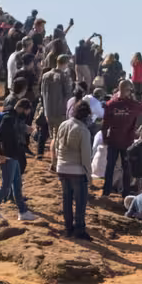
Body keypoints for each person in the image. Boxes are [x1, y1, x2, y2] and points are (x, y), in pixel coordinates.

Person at [0, 97, 41, 224]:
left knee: (17, 185)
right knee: (6, 186)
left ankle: (22, 212)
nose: (26, 115)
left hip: (15, 156)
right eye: (26, 111)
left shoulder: (15, 118)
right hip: (7, 157)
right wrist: (0, 154)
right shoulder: (8, 118)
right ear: (21, 108)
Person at [100, 80, 142, 198]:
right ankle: (126, 193)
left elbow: (104, 124)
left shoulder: (110, 104)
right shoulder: (133, 105)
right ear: (129, 90)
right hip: (127, 142)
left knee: (110, 167)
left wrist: (104, 138)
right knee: (126, 169)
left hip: (113, 140)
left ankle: (106, 191)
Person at [55, 101, 93, 241]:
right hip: (77, 170)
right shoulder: (83, 130)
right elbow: (86, 156)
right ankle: (80, 229)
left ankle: (68, 228)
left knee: (67, 200)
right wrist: (89, 174)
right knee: (80, 202)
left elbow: (57, 146)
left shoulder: (63, 124)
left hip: (62, 167)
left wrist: (57, 163)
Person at [39, 54, 73, 161]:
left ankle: (54, 160)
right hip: (61, 112)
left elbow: (42, 93)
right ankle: (55, 161)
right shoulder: (64, 76)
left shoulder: (45, 75)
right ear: (66, 63)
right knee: (58, 138)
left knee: (53, 137)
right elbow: (68, 94)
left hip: (48, 111)